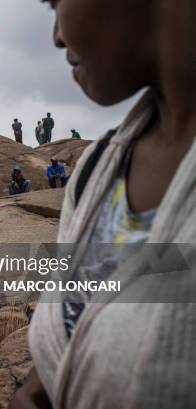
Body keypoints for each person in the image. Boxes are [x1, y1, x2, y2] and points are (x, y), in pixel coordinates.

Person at [11, 2, 196, 407]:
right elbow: (78, 316)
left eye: (56, 2)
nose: (57, 36)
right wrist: (39, 385)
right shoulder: (98, 170)